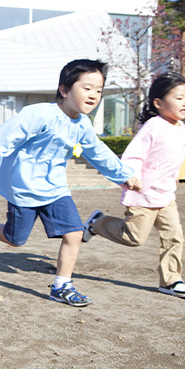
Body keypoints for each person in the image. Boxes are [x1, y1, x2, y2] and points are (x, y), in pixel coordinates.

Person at [0, 59, 141, 307]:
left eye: (99, 90)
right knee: (15, 239)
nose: (94, 95)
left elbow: (98, 152)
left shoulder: (82, 124)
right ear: (64, 90)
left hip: (56, 189)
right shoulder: (39, 114)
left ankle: (62, 285)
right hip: (24, 188)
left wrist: (123, 175)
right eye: (87, 88)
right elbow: (5, 138)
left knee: (74, 232)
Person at [82, 72, 185, 299]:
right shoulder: (154, 126)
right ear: (158, 103)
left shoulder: (180, 127)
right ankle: (98, 223)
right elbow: (134, 156)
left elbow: (172, 156)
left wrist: (174, 175)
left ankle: (170, 280)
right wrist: (132, 176)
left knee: (175, 236)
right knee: (134, 238)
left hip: (166, 194)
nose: (184, 102)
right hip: (144, 193)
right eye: (179, 98)